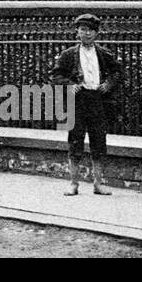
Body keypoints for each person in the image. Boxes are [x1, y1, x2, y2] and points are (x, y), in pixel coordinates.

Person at [51, 13, 124, 196]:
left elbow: (118, 72)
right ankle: (73, 183)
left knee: (98, 141)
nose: (87, 34)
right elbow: (56, 75)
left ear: (97, 33)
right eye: (83, 30)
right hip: (77, 101)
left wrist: (108, 84)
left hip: (98, 100)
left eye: (91, 30)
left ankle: (98, 183)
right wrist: (70, 85)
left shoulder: (104, 54)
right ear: (77, 32)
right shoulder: (69, 55)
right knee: (75, 141)